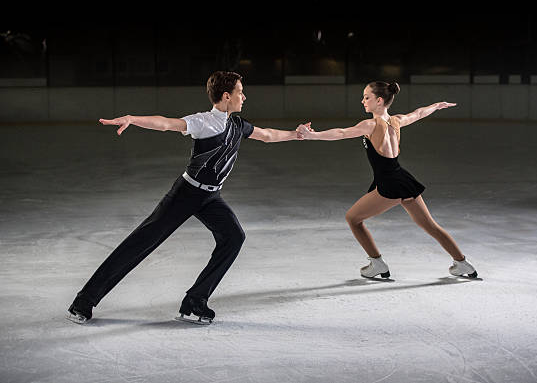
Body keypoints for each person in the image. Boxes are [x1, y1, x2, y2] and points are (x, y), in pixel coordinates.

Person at [67, 71, 306, 325]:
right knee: (141, 242)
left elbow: (267, 135)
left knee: (234, 237)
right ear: (226, 96)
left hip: (211, 197)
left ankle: (195, 302)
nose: (244, 97)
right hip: (186, 193)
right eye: (240, 92)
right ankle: (84, 301)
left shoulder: (238, 125)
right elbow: (167, 123)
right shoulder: (204, 122)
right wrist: (132, 119)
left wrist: (296, 133)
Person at [297, 81, 477, 279]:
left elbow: (341, 133)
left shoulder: (371, 124)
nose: (363, 101)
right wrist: (436, 106)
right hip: (402, 177)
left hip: (390, 184)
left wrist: (312, 136)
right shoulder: (397, 120)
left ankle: (377, 264)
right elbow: (418, 113)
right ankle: (462, 263)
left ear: (379, 100)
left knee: (353, 219)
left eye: (367, 97)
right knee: (430, 225)